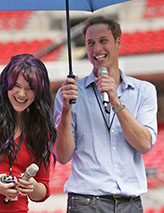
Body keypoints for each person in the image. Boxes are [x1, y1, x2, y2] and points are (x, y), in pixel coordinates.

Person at [53, 16, 158, 213]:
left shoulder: (144, 91)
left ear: (118, 42)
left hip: (131, 203)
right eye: (90, 43)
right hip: (86, 202)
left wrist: (116, 101)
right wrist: (66, 112)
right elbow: (62, 155)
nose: (96, 49)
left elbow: (144, 144)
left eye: (103, 41)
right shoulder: (70, 93)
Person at [0, 54, 57, 212]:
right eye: (16, 86)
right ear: (6, 84)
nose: (21, 94)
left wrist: (31, 187)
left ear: (38, 92)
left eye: (29, 89)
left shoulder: (41, 130)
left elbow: (43, 190)